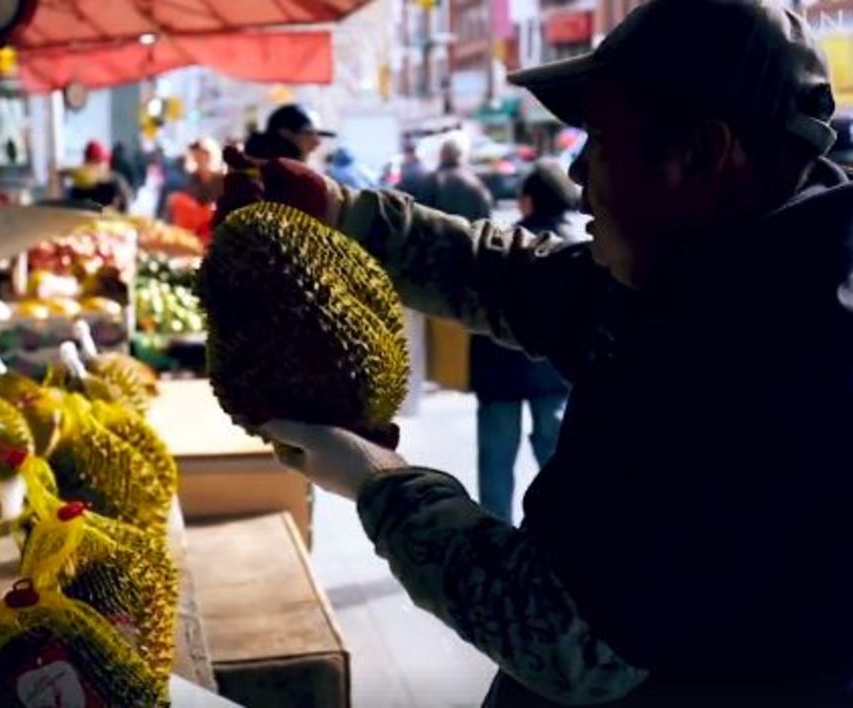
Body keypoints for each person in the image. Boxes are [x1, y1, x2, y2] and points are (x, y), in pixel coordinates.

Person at [216, 1, 853, 705]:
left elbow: (568, 641)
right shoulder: (709, 263)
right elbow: (522, 281)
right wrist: (342, 212)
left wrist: (379, 483)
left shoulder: (786, 365)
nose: (577, 172)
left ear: (700, 153)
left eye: (600, 139)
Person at [471, 161, 578, 524]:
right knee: (559, 462)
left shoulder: (507, 247)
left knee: (496, 463)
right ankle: (564, 535)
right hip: (557, 376)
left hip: (500, 379)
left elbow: (479, 311)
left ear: (529, 202)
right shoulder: (586, 247)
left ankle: (496, 538)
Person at [405, 138, 493, 221]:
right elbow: (486, 217)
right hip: (470, 235)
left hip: (440, 235)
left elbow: (422, 215)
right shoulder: (474, 182)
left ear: (442, 154)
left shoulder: (432, 180)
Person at [245, 104, 333, 161]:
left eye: (318, 134)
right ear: (285, 133)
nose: (317, 141)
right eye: (309, 133)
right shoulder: (273, 171)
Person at [67, 140, 132, 211]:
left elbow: (125, 208)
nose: (94, 166)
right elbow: (74, 209)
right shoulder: (80, 185)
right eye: (91, 161)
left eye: (98, 162)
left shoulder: (116, 183)